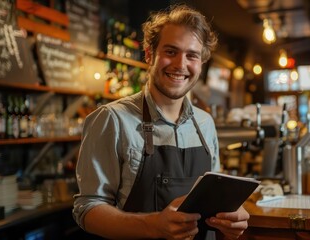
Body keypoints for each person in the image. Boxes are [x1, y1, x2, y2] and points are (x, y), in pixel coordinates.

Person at [73, 5, 249, 240]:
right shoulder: (111, 119)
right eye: (171, 51)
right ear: (149, 54)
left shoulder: (205, 123)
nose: (180, 64)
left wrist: (230, 219)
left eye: (192, 55)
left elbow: (214, 201)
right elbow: (88, 209)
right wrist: (154, 225)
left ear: (201, 62)